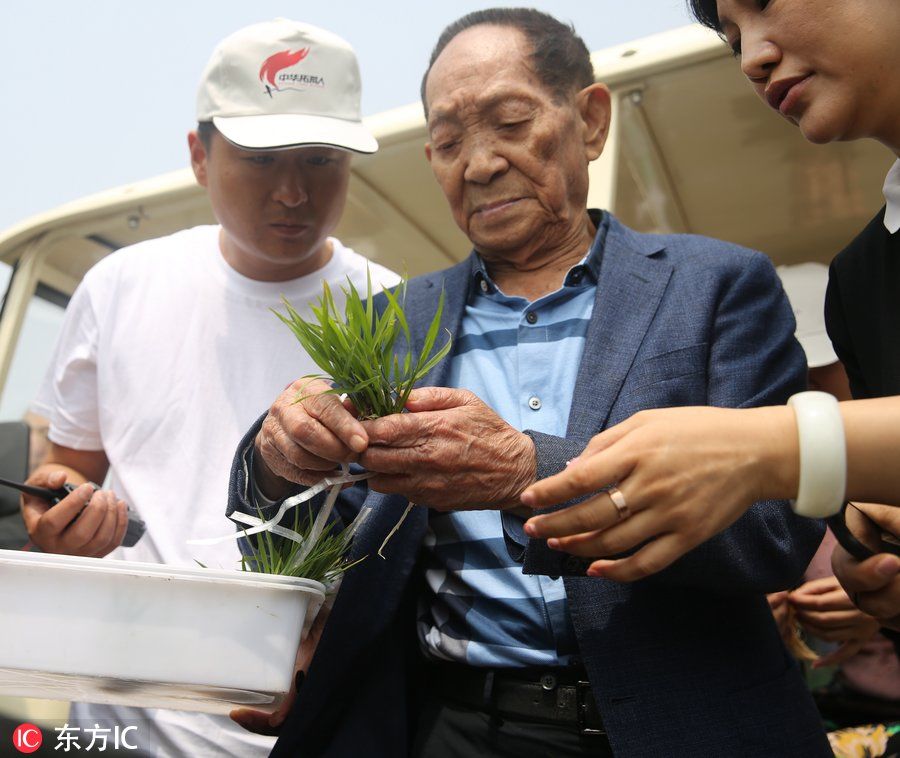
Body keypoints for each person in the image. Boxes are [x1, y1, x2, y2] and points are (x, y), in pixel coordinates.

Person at [230, 9, 831, 757]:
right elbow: (300, 533)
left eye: (510, 122)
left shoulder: (715, 286)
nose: (478, 164)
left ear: (590, 119)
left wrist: (527, 473)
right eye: (448, 143)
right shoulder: (396, 320)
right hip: (451, 729)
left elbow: (775, 533)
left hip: (683, 722)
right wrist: (277, 457)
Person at [22, 19, 396, 758]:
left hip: (308, 721)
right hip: (118, 717)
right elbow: (66, 473)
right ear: (200, 156)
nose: (293, 190)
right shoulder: (119, 287)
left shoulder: (394, 311)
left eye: (320, 158)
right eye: (259, 158)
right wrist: (60, 516)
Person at [521, 0, 900, 634]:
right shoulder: (861, 278)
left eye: (765, 2)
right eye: (731, 40)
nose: (754, 58)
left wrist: (761, 448)